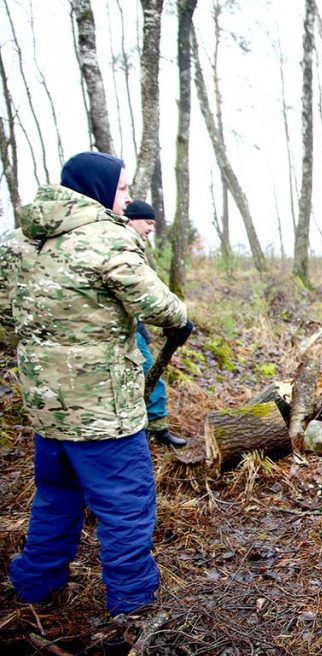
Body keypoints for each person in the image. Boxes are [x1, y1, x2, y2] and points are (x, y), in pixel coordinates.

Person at [1, 151, 193, 615]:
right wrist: (182, 318)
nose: (126, 200)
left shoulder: (16, 242)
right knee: (126, 506)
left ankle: (35, 583)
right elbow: (159, 308)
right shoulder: (107, 239)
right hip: (104, 412)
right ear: (96, 186)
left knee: (55, 497)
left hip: (47, 408)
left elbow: (6, 324)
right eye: (123, 189)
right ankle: (132, 602)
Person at [123, 200, 187, 447]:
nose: (151, 228)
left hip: (133, 327)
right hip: (125, 332)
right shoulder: (122, 246)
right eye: (148, 222)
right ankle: (156, 430)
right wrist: (177, 319)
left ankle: (151, 428)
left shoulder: (132, 246)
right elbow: (146, 297)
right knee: (150, 373)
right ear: (131, 219)